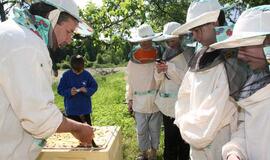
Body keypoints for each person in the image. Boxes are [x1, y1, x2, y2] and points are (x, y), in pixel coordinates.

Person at [0, 0, 94, 159]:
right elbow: (38, 117)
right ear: (53, 17)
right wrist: (78, 128)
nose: (69, 40)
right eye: (69, 31)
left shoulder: (11, 33)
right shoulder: (27, 44)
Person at [172, 0, 248, 159]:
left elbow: (217, 106)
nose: (194, 35)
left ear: (214, 22)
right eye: (193, 31)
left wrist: (189, 129)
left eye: (198, 30)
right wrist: (186, 125)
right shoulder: (200, 55)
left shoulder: (232, 58)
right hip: (195, 135)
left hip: (222, 139)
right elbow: (185, 93)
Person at [210, 5, 270, 160]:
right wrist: (235, 151)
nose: (241, 56)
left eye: (244, 47)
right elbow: (247, 126)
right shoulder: (256, 82)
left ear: (268, 43)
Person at [152, 22, 190, 160]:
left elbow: (187, 81)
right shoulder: (165, 54)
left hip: (183, 106)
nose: (171, 43)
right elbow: (158, 82)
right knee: (170, 141)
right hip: (167, 107)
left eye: (174, 39)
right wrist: (159, 71)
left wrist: (170, 67)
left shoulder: (188, 55)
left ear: (180, 38)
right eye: (169, 40)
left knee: (184, 141)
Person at [126, 23, 163, 160]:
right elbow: (129, 81)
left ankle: (153, 152)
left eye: (148, 40)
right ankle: (144, 153)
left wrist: (159, 72)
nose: (146, 43)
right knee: (141, 130)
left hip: (155, 100)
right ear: (139, 41)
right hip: (138, 102)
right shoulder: (132, 61)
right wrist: (129, 99)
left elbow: (160, 80)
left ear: (152, 39)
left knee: (155, 129)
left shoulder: (158, 55)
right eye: (143, 40)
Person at [58, 54, 98, 125]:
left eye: (80, 71)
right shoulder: (66, 76)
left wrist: (87, 90)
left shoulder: (87, 75)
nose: (77, 73)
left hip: (85, 110)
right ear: (71, 67)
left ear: (83, 67)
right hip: (71, 111)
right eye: (75, 71)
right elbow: (60, 90)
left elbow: (94, 86)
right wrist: (69, 92)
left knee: (87, 131)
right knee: (73, 132)